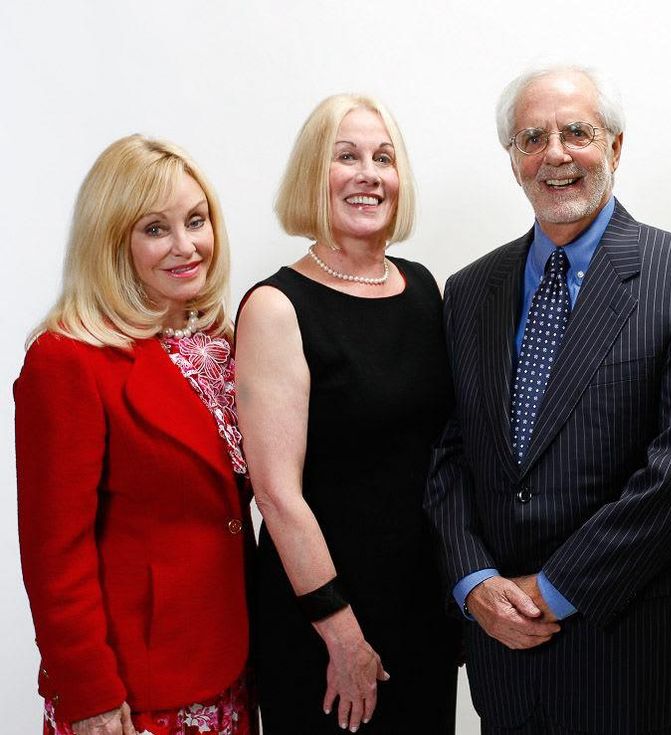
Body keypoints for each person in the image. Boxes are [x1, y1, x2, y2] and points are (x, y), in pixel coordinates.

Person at [424, 64, 671, 735]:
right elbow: (449, 453)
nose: (555, 154)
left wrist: (556, 588)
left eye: (577, 132)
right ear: (512, 161)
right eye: (531, 138)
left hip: (629, 653)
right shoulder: (469, 290)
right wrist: (472, 579)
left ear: (615, 147)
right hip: (503, 656)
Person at [15, 135, 253, 735]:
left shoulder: (222, 344)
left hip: (229, 662)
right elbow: (54, 554)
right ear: (111, 240)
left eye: (196, 221)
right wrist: (87, 691)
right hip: (134, 689)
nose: (186, 246)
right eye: (155, 229)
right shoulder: (65, 359)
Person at [235, 94, 458, 734]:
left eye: (382, 158)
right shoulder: (278, 307)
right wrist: (341, 633)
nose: (368, 173)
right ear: (314, 174)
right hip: (325, 615)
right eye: (346, 157)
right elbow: (277, 496)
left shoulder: (423, 289)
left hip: (419, 607)